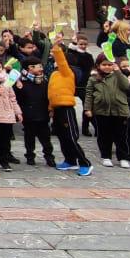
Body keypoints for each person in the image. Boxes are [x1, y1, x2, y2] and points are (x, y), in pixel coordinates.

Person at [47, 37, 92, 175]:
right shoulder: (54, 74)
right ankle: (70, 160)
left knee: (71, 137)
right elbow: (51, 93)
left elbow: (61, 60)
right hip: (57, 109)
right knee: (62, 137)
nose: (55, 61)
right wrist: (50, 109)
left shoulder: (68, 73)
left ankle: (85, 163)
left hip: (66, 108)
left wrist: (56, 48)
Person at [84, 54, 130, 168]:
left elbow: (126, 86)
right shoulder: (94, 78)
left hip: (119, 110)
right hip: (101, 111)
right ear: (98, 65)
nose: (107, 67)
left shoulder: (118, 75)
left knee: (121, 136)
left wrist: (118, 71)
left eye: (110, 64)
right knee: (104, 136)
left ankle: (123, 157)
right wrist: (87, 108)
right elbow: (89, 94)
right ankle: (106, 156)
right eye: (104, 65)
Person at [13, 58, 54, 167]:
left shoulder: (44, 80)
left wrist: (51, 109)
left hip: (43, 114)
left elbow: (49, 97)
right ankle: (30, 156)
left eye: (41, 66)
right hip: (29, 115)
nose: (41, 69)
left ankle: (49, 156)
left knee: (46, 138)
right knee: (29, 138)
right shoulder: (21, 82)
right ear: (30, 68)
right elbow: (17, 99)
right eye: (38, 66)